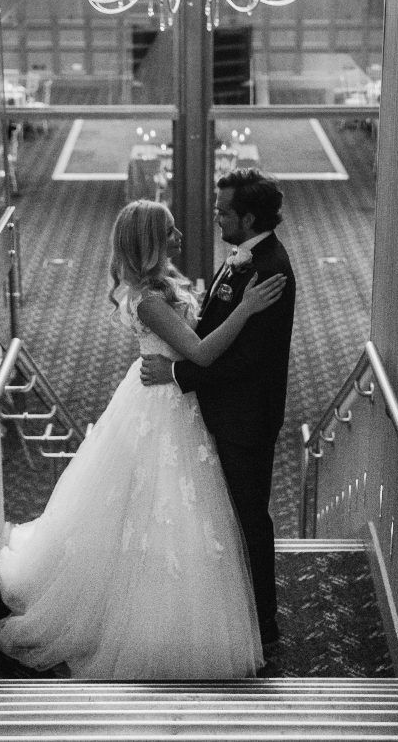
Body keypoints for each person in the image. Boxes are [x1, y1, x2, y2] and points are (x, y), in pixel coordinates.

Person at [0, 199, 286, 680]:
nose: (179, 235)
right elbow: (200, 352)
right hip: (161, 406)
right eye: (170, 231)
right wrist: (248, 309)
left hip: (171, 393)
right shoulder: (148, 300)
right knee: (158, 505)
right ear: (152, 242)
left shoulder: (160, 285)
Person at [141, 169, 296, 650]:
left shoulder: (269, 270)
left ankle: (264, 629)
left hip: (246, 418)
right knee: (223, 518)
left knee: (250, 520)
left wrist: (178, 375)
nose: (215, 215)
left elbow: (251, 360)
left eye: (223, 210)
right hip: (224, 410)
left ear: (248, 217)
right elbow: (216, 324)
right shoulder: (247, 258)